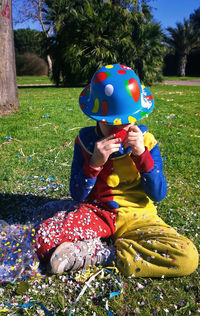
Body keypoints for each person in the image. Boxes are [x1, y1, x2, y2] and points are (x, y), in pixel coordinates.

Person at [34, 64, 199, 277]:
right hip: (97, 212)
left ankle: (100, 253)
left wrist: (142, 155)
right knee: (43, 239)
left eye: (128, 121)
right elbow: (77, 194)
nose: (120, 129)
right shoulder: (85, 142)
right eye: (111, 123)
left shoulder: (146, 141)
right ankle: (98, 243)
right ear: (96, 117)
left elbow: (158, 193)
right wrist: (94, 163)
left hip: (139, 215)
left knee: (187, 258)